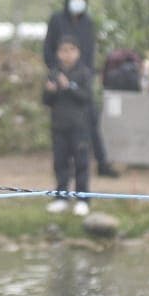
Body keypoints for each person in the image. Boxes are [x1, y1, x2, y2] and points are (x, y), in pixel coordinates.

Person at [43, 0, 119, 178]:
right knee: (62, 124)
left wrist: (85, 74)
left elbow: (90, 51)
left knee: (91, 118)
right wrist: (56, 72)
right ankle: (63, 171)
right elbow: (48, 48)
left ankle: (101, 163)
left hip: (82, 76)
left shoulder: (88, 22)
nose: (78, 2)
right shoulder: (57, 19)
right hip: (59, 74)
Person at [43, 36, 92, 217]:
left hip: (79, 126)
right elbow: (46, 101)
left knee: (81, 164)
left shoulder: (84, 73)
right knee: (60, 163)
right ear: (58, 53)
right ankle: (61, 198)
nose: (67, 54)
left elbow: (86, 97)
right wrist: (50, 91)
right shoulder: (54, 73)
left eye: (71, 50)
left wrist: (68, 86)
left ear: (78, 52)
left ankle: (82, 199)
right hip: (59, 125)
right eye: (63, 50)